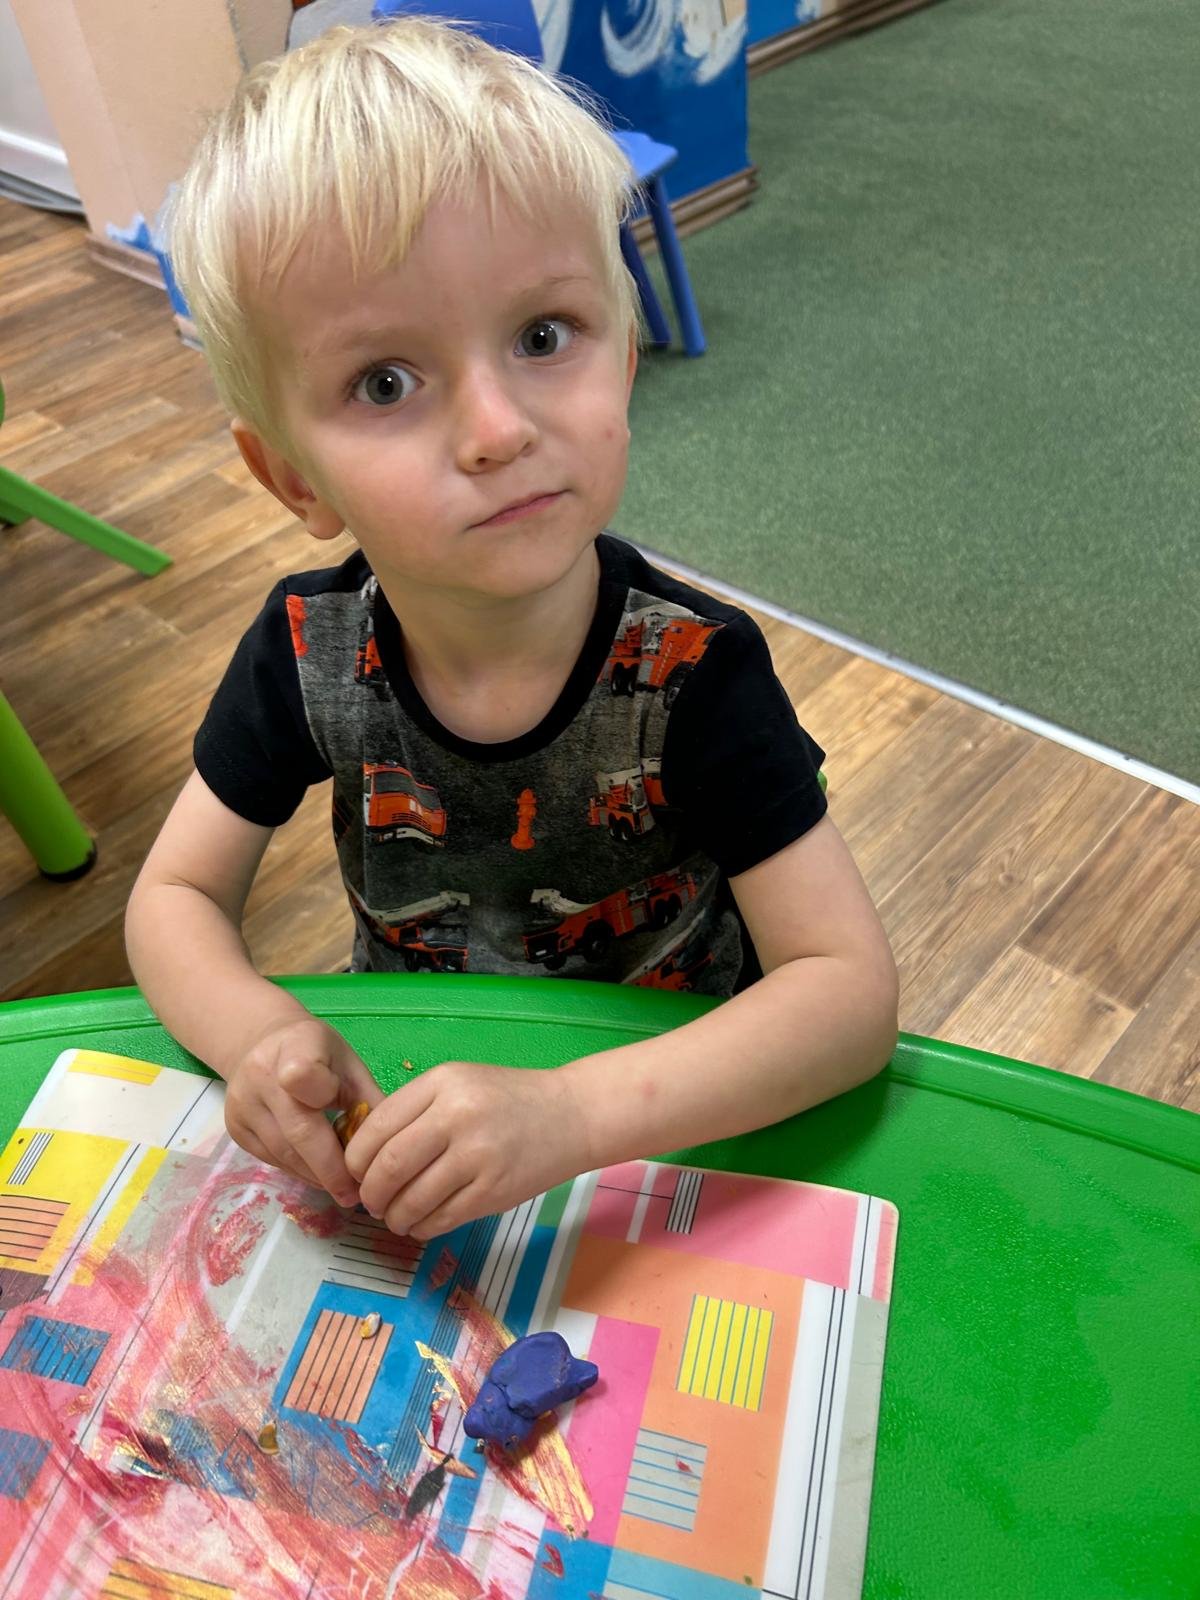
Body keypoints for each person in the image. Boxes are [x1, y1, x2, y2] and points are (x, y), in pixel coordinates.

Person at [126, 16, 898, 1244]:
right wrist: (257, 1034)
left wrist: (571, 1114)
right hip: (416, 1117)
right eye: (386, 381)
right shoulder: (305, 652)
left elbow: (846, 997)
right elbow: (172, 895)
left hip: (674, 1119)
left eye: (543, 337)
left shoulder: (695, 672)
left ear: (624, 359)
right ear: (292, 478)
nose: (497, 429)